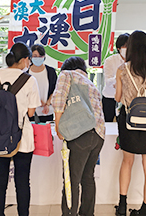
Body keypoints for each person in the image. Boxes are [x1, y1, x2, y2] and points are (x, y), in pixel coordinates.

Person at [0, 42, 41, 216]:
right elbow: (31, 111)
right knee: (22, 182)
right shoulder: (29, 80)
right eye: (29, 59)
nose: (29, 63)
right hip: (21, 137)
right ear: (23, 60)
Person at [114, 30, 146, 216]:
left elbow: (118, 98)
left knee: (127, 162)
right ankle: (144, 210)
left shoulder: (122, 69)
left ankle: (122, 206)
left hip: (128, 119)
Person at [52, 56, 105, 216]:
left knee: (71, 180)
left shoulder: (67, 75)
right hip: (98, 135)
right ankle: (87, 213)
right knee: (87, 177)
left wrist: (58, 127)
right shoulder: (91, 84)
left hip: (80, 134)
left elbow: (59, 100)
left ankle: (69, 214)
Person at [102, 33, 129, 122]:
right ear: (119, 48)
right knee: (108, 123)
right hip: (110, 96)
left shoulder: (134, 61)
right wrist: (118, 79)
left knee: (126, 123)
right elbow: (108, 80)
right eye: (125, 46)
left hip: (127, 97)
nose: (127, 48)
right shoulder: (110, 60)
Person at [28, 44, 57, 123]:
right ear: (30, 57)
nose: (38, 58)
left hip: (47, 112)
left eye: (40, 56)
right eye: (35, 56)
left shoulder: (51, 71)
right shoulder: (26, 72)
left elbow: (55, 90)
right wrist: (37, 101)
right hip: (30, 112)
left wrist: (47, 104)